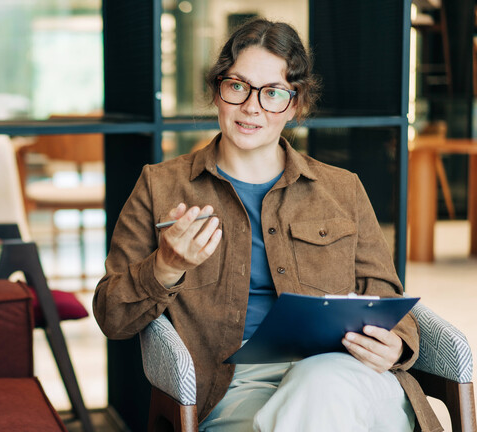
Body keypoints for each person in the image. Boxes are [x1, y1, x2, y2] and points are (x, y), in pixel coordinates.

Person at [93, 18, 441, 432]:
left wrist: (395, 345)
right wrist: (165, 265)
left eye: (273, 93)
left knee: (322, 381)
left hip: (350, 374)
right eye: (238, 86)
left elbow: (385, 294)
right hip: (234, 387)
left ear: (295, 105)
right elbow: (112, 317)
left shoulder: (342, 189)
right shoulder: (160, 186)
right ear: (217, 90)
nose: (252, 107)